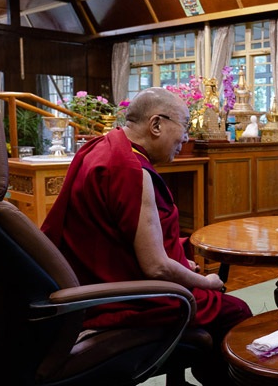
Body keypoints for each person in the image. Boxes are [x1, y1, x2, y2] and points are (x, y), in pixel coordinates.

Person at [41, 87, 252, 385]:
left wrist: (180, 262)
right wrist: (207, 282)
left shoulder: (99, 147)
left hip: (89, 281)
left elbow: (119, 237)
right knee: (235, 311)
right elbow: (156, 267)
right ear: (156, 125)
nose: (187, 138)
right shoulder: (130, 169)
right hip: (122, 296)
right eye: (186, 126)